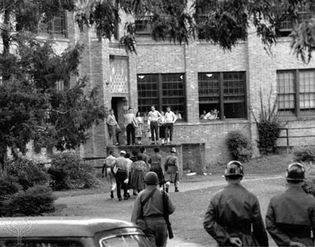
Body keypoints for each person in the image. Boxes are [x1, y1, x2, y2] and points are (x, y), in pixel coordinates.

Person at [203, 160, 269, 247]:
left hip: (226, 244)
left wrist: (226, 237)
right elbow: (259, 228)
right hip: (247, 243)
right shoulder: (251, 198)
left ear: (226, 177)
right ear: (241, 177)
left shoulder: (217, 198)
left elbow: (208, 222)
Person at [266, 162, 315, 247]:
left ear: (287, 180)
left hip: (284, 244)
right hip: (305, 243)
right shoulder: (311, 201)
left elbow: (270, 225)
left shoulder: (275, 200)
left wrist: (287, 241)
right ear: (303, 181)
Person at [131, 172, 175, 247]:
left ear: (145, 182)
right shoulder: (163, 194)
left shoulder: (141, 195)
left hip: (147, 224)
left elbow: (136, 213)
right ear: (157, 182)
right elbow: (171, 209)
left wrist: (134, 227)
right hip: (161, 223)